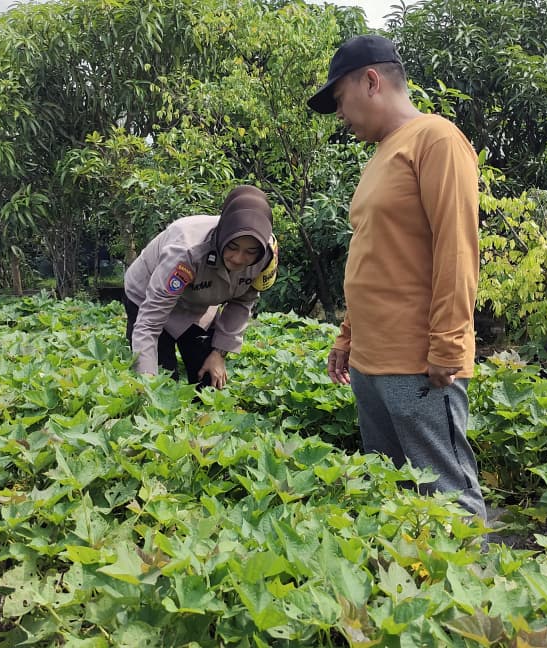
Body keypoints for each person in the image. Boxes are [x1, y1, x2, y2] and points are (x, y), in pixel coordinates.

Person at [308, 34, 487, 520]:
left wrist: (448, 346)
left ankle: (469, 591)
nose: (341, 116)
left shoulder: (437, 140)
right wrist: (348, 333)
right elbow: (373, 254)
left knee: (446, 497)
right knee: (392, 495)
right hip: (370, 360)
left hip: (418, 361)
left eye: (340, 100)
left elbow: (457, 249)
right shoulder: (382, 155)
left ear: (371, 82)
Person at [123, 185, 277, 389]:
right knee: (163, 385)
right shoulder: (186, 250)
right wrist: (147, 380)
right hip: (148, 296)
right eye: (232, 247)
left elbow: (242, 302)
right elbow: (149, 322)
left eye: (250, 252)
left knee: (210, 383)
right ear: (223, 236)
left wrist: (219, 353)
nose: (239, 259)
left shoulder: (266, 256)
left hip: (199, 302)